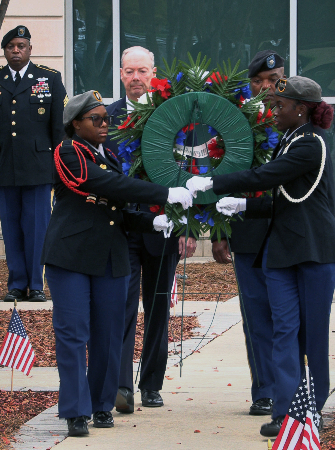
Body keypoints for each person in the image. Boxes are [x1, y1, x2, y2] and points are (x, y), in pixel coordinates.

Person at [186, 76, 335, 437]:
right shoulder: (289, 140)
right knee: (284, 330)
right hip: (282, 250)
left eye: (279, 105)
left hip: (314, 250)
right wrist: (245, 205)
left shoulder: (312, 143)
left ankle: (312, 409)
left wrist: (215, 183)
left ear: (300, 109)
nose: (273, 111)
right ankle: (286, 409)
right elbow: (283, 199)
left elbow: (271, 176)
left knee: (313, 334)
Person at [42, 91, 194, 437]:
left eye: (105, 118)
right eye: (95, 119)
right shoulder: (68, 152)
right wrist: (162, 194)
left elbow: (117, 209)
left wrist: (152, 222)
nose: (103, 124)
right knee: (73, 333)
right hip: (72, 255)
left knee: (108, 333)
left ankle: (100, 404)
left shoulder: (107, 154)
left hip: (110, 254)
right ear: (75, 123)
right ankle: (76, 410)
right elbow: (101, 184)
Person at [104, 46, 197, 413]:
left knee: (158, 310)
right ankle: (122, 386)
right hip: (121, 229)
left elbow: (192, 173)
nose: (136, 78)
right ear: (121, 74)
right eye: (129, 71)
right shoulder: (104, 118)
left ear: (153, 72)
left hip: (164, 229)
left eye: (142, 71)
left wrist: (189, 227)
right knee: (121, 308)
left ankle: (151, 384)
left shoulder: (172, 115)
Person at [209, 49, 286, 417]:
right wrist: (218, 233)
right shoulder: (236, 120)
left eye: (273, 81)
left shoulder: (299, 117)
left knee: (288, 317)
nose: (267, 88)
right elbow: (221, 176)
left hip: (290, 233)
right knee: (257, 314)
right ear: (250, 84)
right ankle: (265, 390)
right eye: (259, 82)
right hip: (250, 231)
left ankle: (291, 387)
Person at [0, 25, 66, 302]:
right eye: (11, 46)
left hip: (39, 169)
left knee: (37, 228)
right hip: (3, 168)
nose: (16, 50)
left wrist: (59, 169)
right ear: (4, 51)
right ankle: (16, 283)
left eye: (21, 46)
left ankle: (36, 285)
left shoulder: (49, 78)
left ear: (29, 49)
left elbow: (59, 128)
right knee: (11, 228)